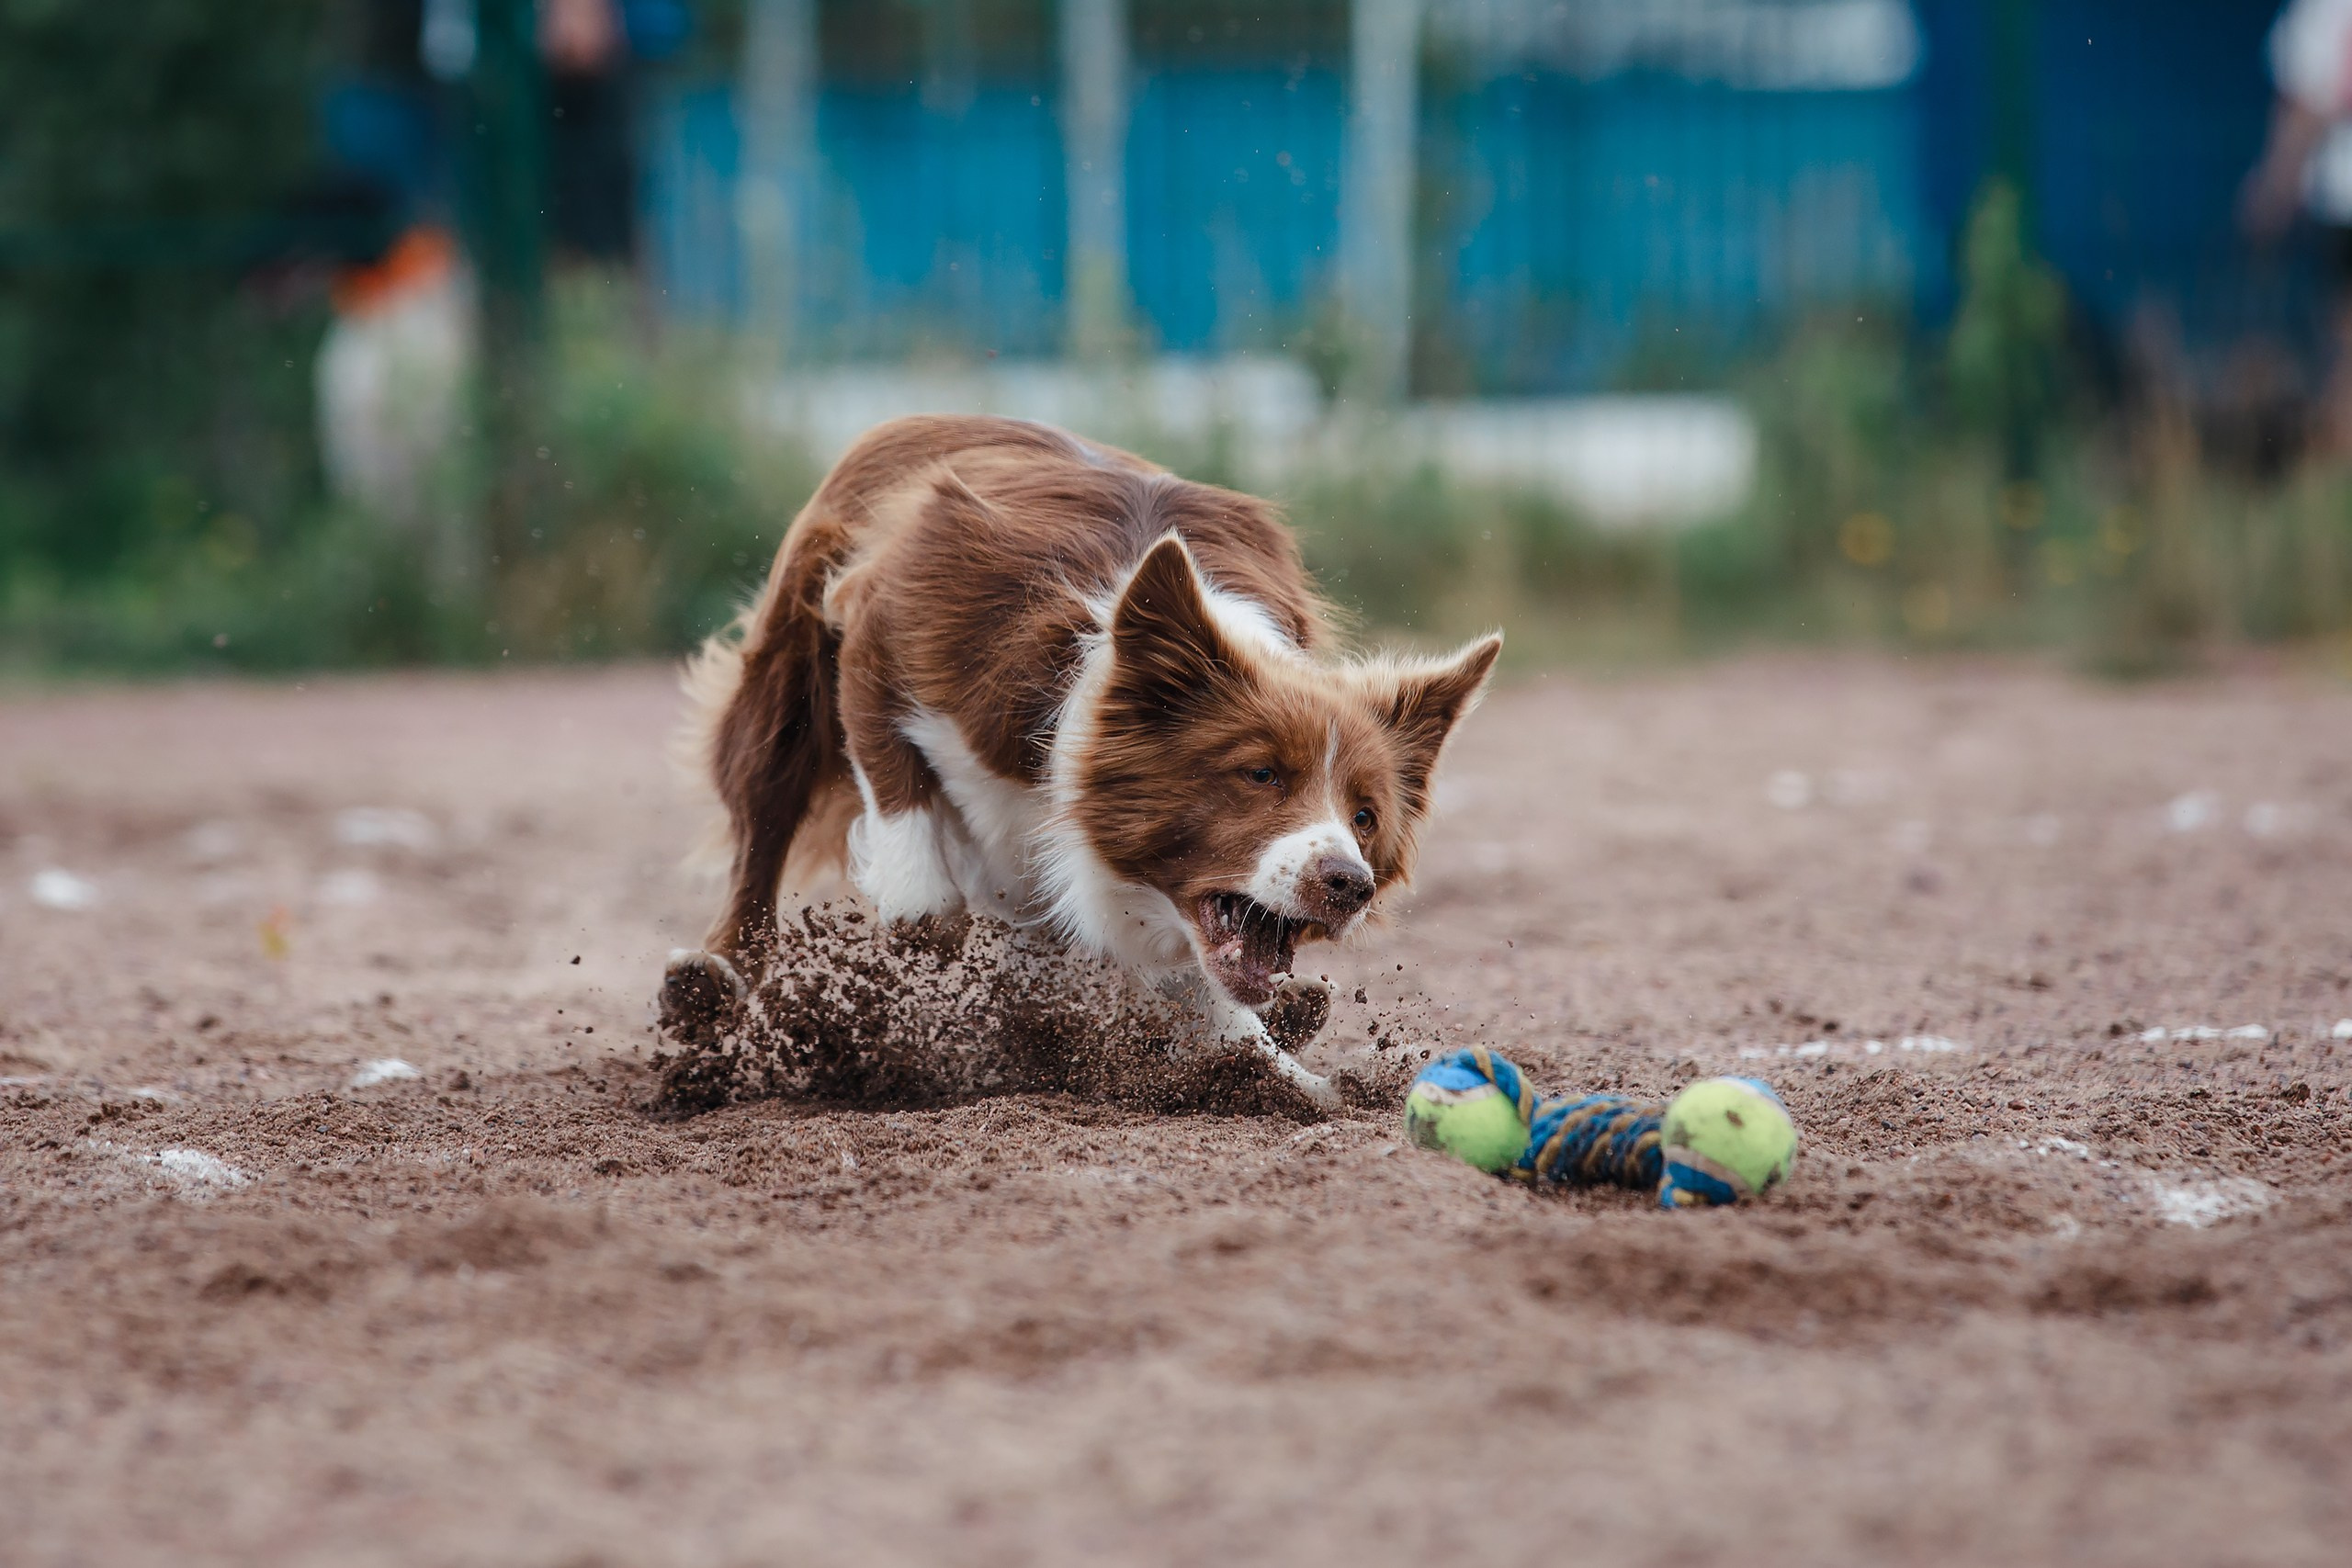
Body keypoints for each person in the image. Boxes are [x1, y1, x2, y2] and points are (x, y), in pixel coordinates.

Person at [2245, 0, 2352, 451]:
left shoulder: (2324, 10)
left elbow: (2308, 101)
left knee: (2344, 345)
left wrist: (2275, 184)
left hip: (2342, 197)